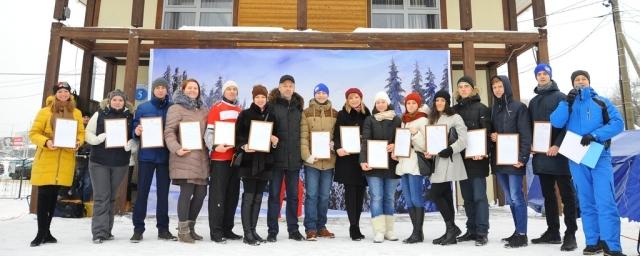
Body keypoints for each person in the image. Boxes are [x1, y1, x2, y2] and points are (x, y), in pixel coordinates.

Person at [551, 70, 626, 256]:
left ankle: (611, 245)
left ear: (589, 82)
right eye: (577, 79)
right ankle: (593, 241)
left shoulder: (601, 101)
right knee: (586, 201)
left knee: (605, 200)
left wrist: (595, 135)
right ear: (572, 83)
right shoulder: (567, 103)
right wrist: (566, 103)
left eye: (584, 79)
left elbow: (618, 123)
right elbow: (556, 122)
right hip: (577, 158)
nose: (581, 81)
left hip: (599, 155)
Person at [527, 64, 578, 251]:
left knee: (567, 196)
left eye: (544, 74)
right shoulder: (533, 102)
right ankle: (552, 231)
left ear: (550, 76)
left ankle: (570, 233)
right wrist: (531, 144)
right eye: (538, 74)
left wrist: (558, 144)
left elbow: (568, 125)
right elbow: (531, 127)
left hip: (559, 155)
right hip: (541, 156)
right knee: (548, 196)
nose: (541, 77)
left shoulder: (561, 97)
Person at [28, 81, 85, 247]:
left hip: (65, 160)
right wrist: (46, 142)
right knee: (43, 197)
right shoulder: (44, 112)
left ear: (70, 94)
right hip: (47, 159)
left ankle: (47, 232)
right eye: (60, 92)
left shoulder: (76, 113)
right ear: (55, 94)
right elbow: (33, 134)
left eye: (66, 92)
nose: (63, 94)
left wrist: (78, 142)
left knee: (53, 199)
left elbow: (80, 133)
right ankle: (40, 233)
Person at [84, 89, 136, 243]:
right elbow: (88, 133)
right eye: (115, 100)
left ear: (125, 102)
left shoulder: (130, 117)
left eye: (120, 100)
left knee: (111, 197)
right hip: (99, 162)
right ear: (109, 101)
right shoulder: (99, 114)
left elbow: (136, 137)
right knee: (101, 197)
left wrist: (132, 144)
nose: (117, 102)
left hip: (120, 163)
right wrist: (97, 139)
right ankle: (99, 232)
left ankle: (107, 230)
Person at [130, 78, 176, 242]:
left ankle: (163, 229)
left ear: (167, 90)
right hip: (147, 156)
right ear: (153, 89)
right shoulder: (143, 107)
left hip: (165, 157)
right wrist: (137, 131)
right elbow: (134, 129)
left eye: (163, 87)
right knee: (142, 192)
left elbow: (176, 129)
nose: (161, 90)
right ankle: (138, 229)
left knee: (163, 194)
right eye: (158, 87)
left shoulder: (172, 108)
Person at [164, 79, 209, 243]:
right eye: (189, 87)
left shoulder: (203, 110)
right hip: (184, 156)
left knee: (201, 194)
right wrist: (176, 148)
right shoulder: (176, 108)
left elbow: (208, 133)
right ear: (183, 90)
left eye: (195, 88)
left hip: (202, 158)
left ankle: (191, 227)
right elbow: (169, 132)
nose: (192, 90)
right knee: (187, 192)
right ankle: (183, 232)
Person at [490, 75, 532, 248]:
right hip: (500, 161)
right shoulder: (494, 109)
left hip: (514, 160)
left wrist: (522, 157)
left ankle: (522, 235)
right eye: (494, 87)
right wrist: (493, 137)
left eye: (500, 86)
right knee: (510, 198)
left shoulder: (519, 107)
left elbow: (525, 134)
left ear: (506, 87)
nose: (497, 90)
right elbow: (493, 134)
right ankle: (517, 231)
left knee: (516, 196)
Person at [235, 85, 279, 246]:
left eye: (263, 97)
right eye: (257, 97)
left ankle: (253, 230)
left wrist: (275, 141)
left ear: (267, 98)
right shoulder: (245, 114)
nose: (260, 99)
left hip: (265, 162)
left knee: (259, 197)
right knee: (249, 196)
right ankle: (247, 233)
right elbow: (237, 137)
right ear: (253, 98)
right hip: (249, 162)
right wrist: (244, 145)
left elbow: (276, 138)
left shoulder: (272, 115)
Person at [424, 90, 468, 246]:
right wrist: (430, 153)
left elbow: (463, 140)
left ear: (447, 102)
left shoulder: (455, 117)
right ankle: (451, 230)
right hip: (438, 163)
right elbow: (433, 141)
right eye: (437, 100)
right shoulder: (434, 119)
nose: (439, 103)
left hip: (450, 160)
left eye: (442, 100)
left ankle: (452, 229)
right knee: (445, 195)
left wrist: (450, 149)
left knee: (436, 193)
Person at [452, 76, 491, 246]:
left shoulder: (482, 109)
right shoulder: (454, 110)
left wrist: (483, 152)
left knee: (479, 196)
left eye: (466, 86)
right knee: (467, 197)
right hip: (460, 160)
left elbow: (488, 133)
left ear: (473, 88)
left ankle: (482, 231)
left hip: (477, 159)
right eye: (460, 87)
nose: (463, 89)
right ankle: (471, 229)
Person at [266, 75, 305, 242]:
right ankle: (272, 231)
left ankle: (293, 229)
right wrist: (270, 138)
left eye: (291, 85)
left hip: (294, 160)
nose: (288, 88)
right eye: (285, 85)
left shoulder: (299, 108)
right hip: (276, 159)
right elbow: (265, 129)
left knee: (293, 196)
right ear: (279, 87)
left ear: (294, 88)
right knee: (275, 195)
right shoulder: (272, 107)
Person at [360, 91, 401, 243]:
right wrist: (363, 160)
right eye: (378, 102)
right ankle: (379, 231)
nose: (380, 104)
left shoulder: (396, 120)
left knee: (389, 198)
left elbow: (402, 139)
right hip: (374, 166)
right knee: (377, 197)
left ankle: (389, 230)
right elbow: (365, 141)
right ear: (375, 105)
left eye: (383, 101)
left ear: (388, 103)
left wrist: (396, 146)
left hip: (391, 164)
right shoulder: (370, 120)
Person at [204, 80, 242, 243]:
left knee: (232, 195)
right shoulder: (216, 108)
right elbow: (209, 132)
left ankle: (228, 228)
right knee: (218, 196)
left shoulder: (240, 111)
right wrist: (214, 145)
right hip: (220, 159)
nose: (232, 91)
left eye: (235, 89)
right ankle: (216, 231)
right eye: (229, 89)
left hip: (235, 159)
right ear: (224, 91)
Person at [300, 83, 338, 241]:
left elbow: (338, 135)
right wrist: (306, 156)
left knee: (324, 196)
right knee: (312, 195)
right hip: (312, 162)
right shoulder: (306, 113)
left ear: (328, 95)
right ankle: (310, 228)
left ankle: (321, 227)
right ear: (314, 94)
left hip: (328, 161)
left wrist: (335, 145)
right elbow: (303, 137)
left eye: (324, 93)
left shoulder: (335, 113)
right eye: (318, 93)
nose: (321, 95)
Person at [333, 88, 371, 241]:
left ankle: (357, 224)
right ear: (347, 100)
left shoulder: (367, 114)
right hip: (347, 160)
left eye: (356, 97)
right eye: (351, 98)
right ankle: (353, 226)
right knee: (351, 194)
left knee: (360, 194)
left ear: (361, 98)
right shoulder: (342, 114)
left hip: (362, 160)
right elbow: (336, 136)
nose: (354, 100)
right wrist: (338, 148)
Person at [394, 92, 428, 244]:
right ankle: (416, 232)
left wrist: (415, 135)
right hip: (404, 163)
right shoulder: (404, 120)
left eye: (414, 103)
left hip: (415, 164)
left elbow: (426, 145)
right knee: (408, 199)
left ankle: (418, 232)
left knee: (416, 197)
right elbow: (402, 141)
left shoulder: (423, 120)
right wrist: (396, 152)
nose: (411, 106)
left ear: (418, 104)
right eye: (408, 103)